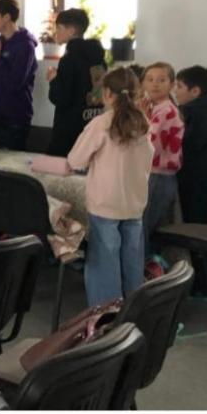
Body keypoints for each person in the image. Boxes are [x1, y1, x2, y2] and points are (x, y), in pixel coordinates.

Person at [68, 67, 153, 306]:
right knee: (132, 262)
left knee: (104, 264)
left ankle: (106, 314)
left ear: (106, 93)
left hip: (105, 204)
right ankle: (134, 310)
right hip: (134, 204)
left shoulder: (101, 123)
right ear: (137, 94)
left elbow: (76, 160)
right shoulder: (143, 123)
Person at [0, 0, 38, 151]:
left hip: (14, 122)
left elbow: (15, 83)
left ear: (6, 17)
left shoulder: (25, 46)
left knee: (10, 165)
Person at [45, 8, 107, 156]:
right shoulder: (99, 59)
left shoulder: (69, 59)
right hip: (92, 123)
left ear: (71, 31)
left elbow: (61, 97)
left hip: (69, 131)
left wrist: (54, 80)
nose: (55, 32)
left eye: (59, 28)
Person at [139, 62, 184, 263]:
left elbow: (148, 143)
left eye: (161, 80)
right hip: (153, 174)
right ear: (143, 84)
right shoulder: (154, 107)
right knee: (145, 226)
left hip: (158, 176)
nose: (155, 84)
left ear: (172, 84)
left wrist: (141, 116)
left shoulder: (166, 110)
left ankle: (143, 271)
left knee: (144, 227)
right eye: (150, 80)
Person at [175, 66, 207, 225]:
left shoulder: (201, 114)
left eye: (179, 87)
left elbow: (191, 144)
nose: (175, 91)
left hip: (194, 180)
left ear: (195, 91)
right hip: (192, 177)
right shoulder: (198, 111)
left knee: (193, 224)